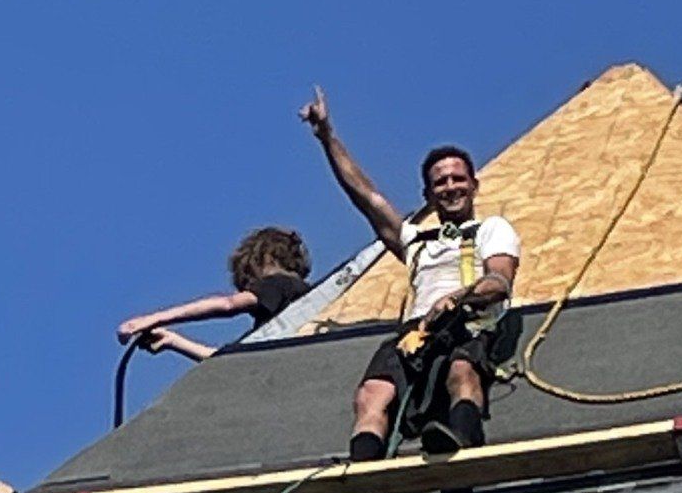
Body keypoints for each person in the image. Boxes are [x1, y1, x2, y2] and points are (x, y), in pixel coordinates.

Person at [300, 88, 520, 460]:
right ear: (428, 194)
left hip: (466, 323)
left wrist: (457, 298)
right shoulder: (416, 239)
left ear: (474, 185)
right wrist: (327, 136)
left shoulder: (491, 229)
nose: (450, 187)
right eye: (441, 182)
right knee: (371, 393)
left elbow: (499, 281)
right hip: (416, 332)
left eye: (458, 179)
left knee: (462, 371)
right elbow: (365, 195)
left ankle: (462, 439)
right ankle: (364, 465)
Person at [115, 226, 312, 364]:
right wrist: (173, 341)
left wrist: (152, 319)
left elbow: (228, 304)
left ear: (264, 262)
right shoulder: (290, 318)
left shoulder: (279, 283)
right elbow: (231, 362)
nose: (250, 288)